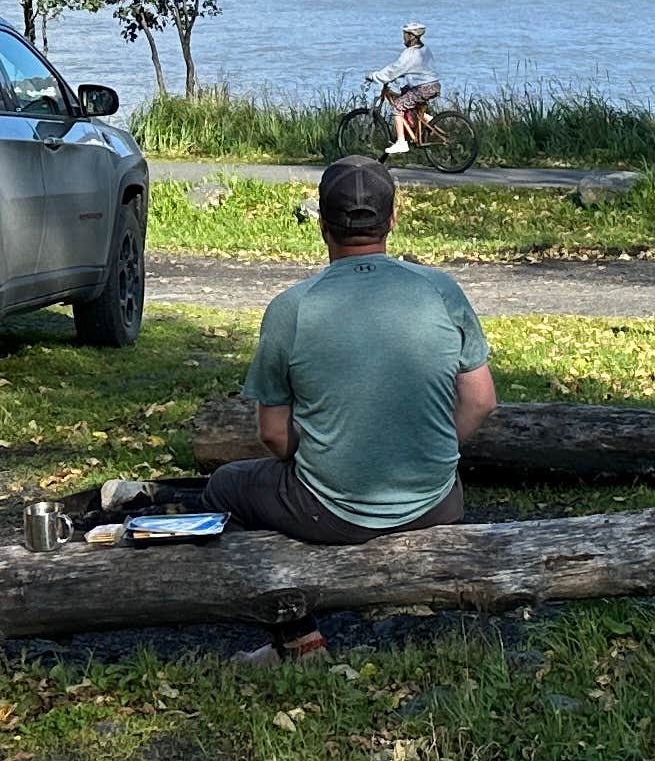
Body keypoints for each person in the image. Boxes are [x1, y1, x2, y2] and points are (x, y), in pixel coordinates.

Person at [205, 157, 487, 581]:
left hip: (332, 514)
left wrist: (321, 462)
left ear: (321, 222)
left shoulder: (292, 308)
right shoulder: (441, 290)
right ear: (392, 219)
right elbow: (481, 400)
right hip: (438, 503)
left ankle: (293, 625)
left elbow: (272, 433)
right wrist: (431, 448)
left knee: (225, 486)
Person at [367, 22, 440, 156]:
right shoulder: (425, 49)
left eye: (405, 35)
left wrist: (376, 76)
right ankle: (427, 120)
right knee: (405, 92)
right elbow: (419, 69)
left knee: (398, 106)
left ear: (411, 36)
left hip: (422, 88)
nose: (403, 38)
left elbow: (395, 69)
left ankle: (401, 142)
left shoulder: (409, 54)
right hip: (433, 85)